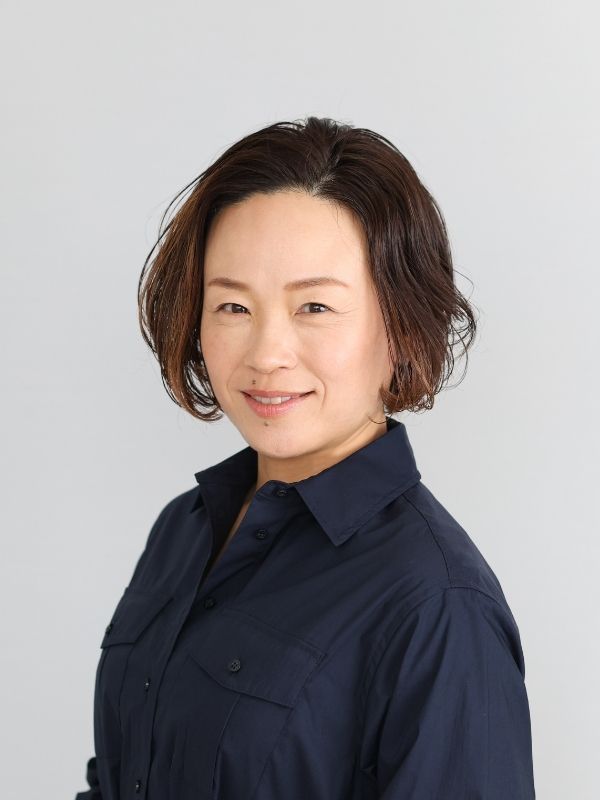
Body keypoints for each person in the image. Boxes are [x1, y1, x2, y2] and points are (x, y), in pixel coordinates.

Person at [74, 116, 535, 799]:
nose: (266, 354)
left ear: (402, 325)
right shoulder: (184, 528)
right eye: (232, 306)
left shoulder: (437, 606)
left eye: (314, 306)